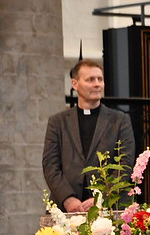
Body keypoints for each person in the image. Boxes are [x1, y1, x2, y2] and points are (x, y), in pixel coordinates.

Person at [42, 60, 136, 212]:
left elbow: (125, 164)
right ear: (75, 84)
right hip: (65, 208)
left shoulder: (120, 120)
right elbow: (50, 165)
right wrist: (67, 199)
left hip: (110, 206)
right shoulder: (58, 122)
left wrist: (102, 197)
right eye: (90, 80)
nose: (97, 84)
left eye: (100, 79)